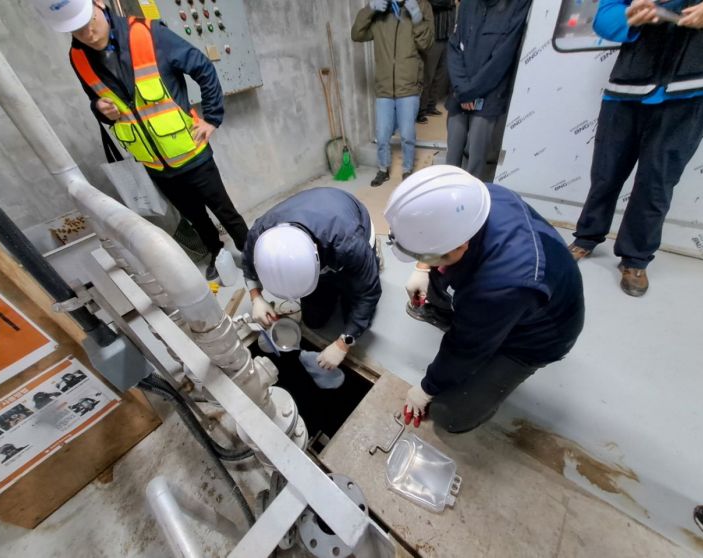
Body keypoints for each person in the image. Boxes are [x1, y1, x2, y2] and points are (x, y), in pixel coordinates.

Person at [34, 0, 248, 279]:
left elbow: (203, 68)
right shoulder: (78, 58)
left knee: (224, 210)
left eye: (89, 22)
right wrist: (99, 109)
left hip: (191, 153)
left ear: (99, 4)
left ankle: (252, 252)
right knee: (195, 216)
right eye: (77, 30)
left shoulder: (148, 34)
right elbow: (95, 100)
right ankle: (217, 254)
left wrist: (212, 118)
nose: (87, 33)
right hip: (155, 165)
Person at [384, 165, 584, 431]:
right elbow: (440, 249)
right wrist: (422, 268)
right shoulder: (474, 199)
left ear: (460, 244)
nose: (423, 261)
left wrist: (427, 387)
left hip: (539, 335)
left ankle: (493, 352)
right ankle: (462, 316)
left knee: (449, 415)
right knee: (438, 279)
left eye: (425, 255)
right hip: (507, 296)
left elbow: (465, 348)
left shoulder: (502, 284)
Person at [568, 0, 703, 297]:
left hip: (689, 94)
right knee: (605, 173)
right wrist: (628, 16)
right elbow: (605, 17)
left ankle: (635, 258)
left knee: (656, 182)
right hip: (627, 89)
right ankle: (587, 237)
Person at [243, 188, 382, 371]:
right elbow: (248, 263)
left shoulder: (348, 243)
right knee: (314, 321)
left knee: (354, 316)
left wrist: (344, 343)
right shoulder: (260, 235)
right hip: (317, 231)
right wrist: (256, 297)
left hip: (349, 228)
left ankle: (374, 257)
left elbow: (368, 294)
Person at [445, 0, 531, 181]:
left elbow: (502, 58)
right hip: (460, 94)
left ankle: (473, 204)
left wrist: (470, 92)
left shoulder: (517, 5)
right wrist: (462, 90)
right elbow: (454, 47)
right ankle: (448, 200)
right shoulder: (467, 4)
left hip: (488, 94)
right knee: (451, 159)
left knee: (476, 162)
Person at [352, 0, 435, 187]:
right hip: (384, 87)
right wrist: (369, 9)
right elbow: (356, 34)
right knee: (382, 135)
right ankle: (383, 169)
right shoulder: (381, 9)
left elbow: (427, 44)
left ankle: (407, 170)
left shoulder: (422, 5)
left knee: (407, 134)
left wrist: (417, 18)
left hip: (409, 85)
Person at [417, 0, 457, 124]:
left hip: (447, 37)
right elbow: (433, 3)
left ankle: (430, 106)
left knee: (441, 75)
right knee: (427, 75)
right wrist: (451, 2)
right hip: (434, 38)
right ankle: (420, 111)